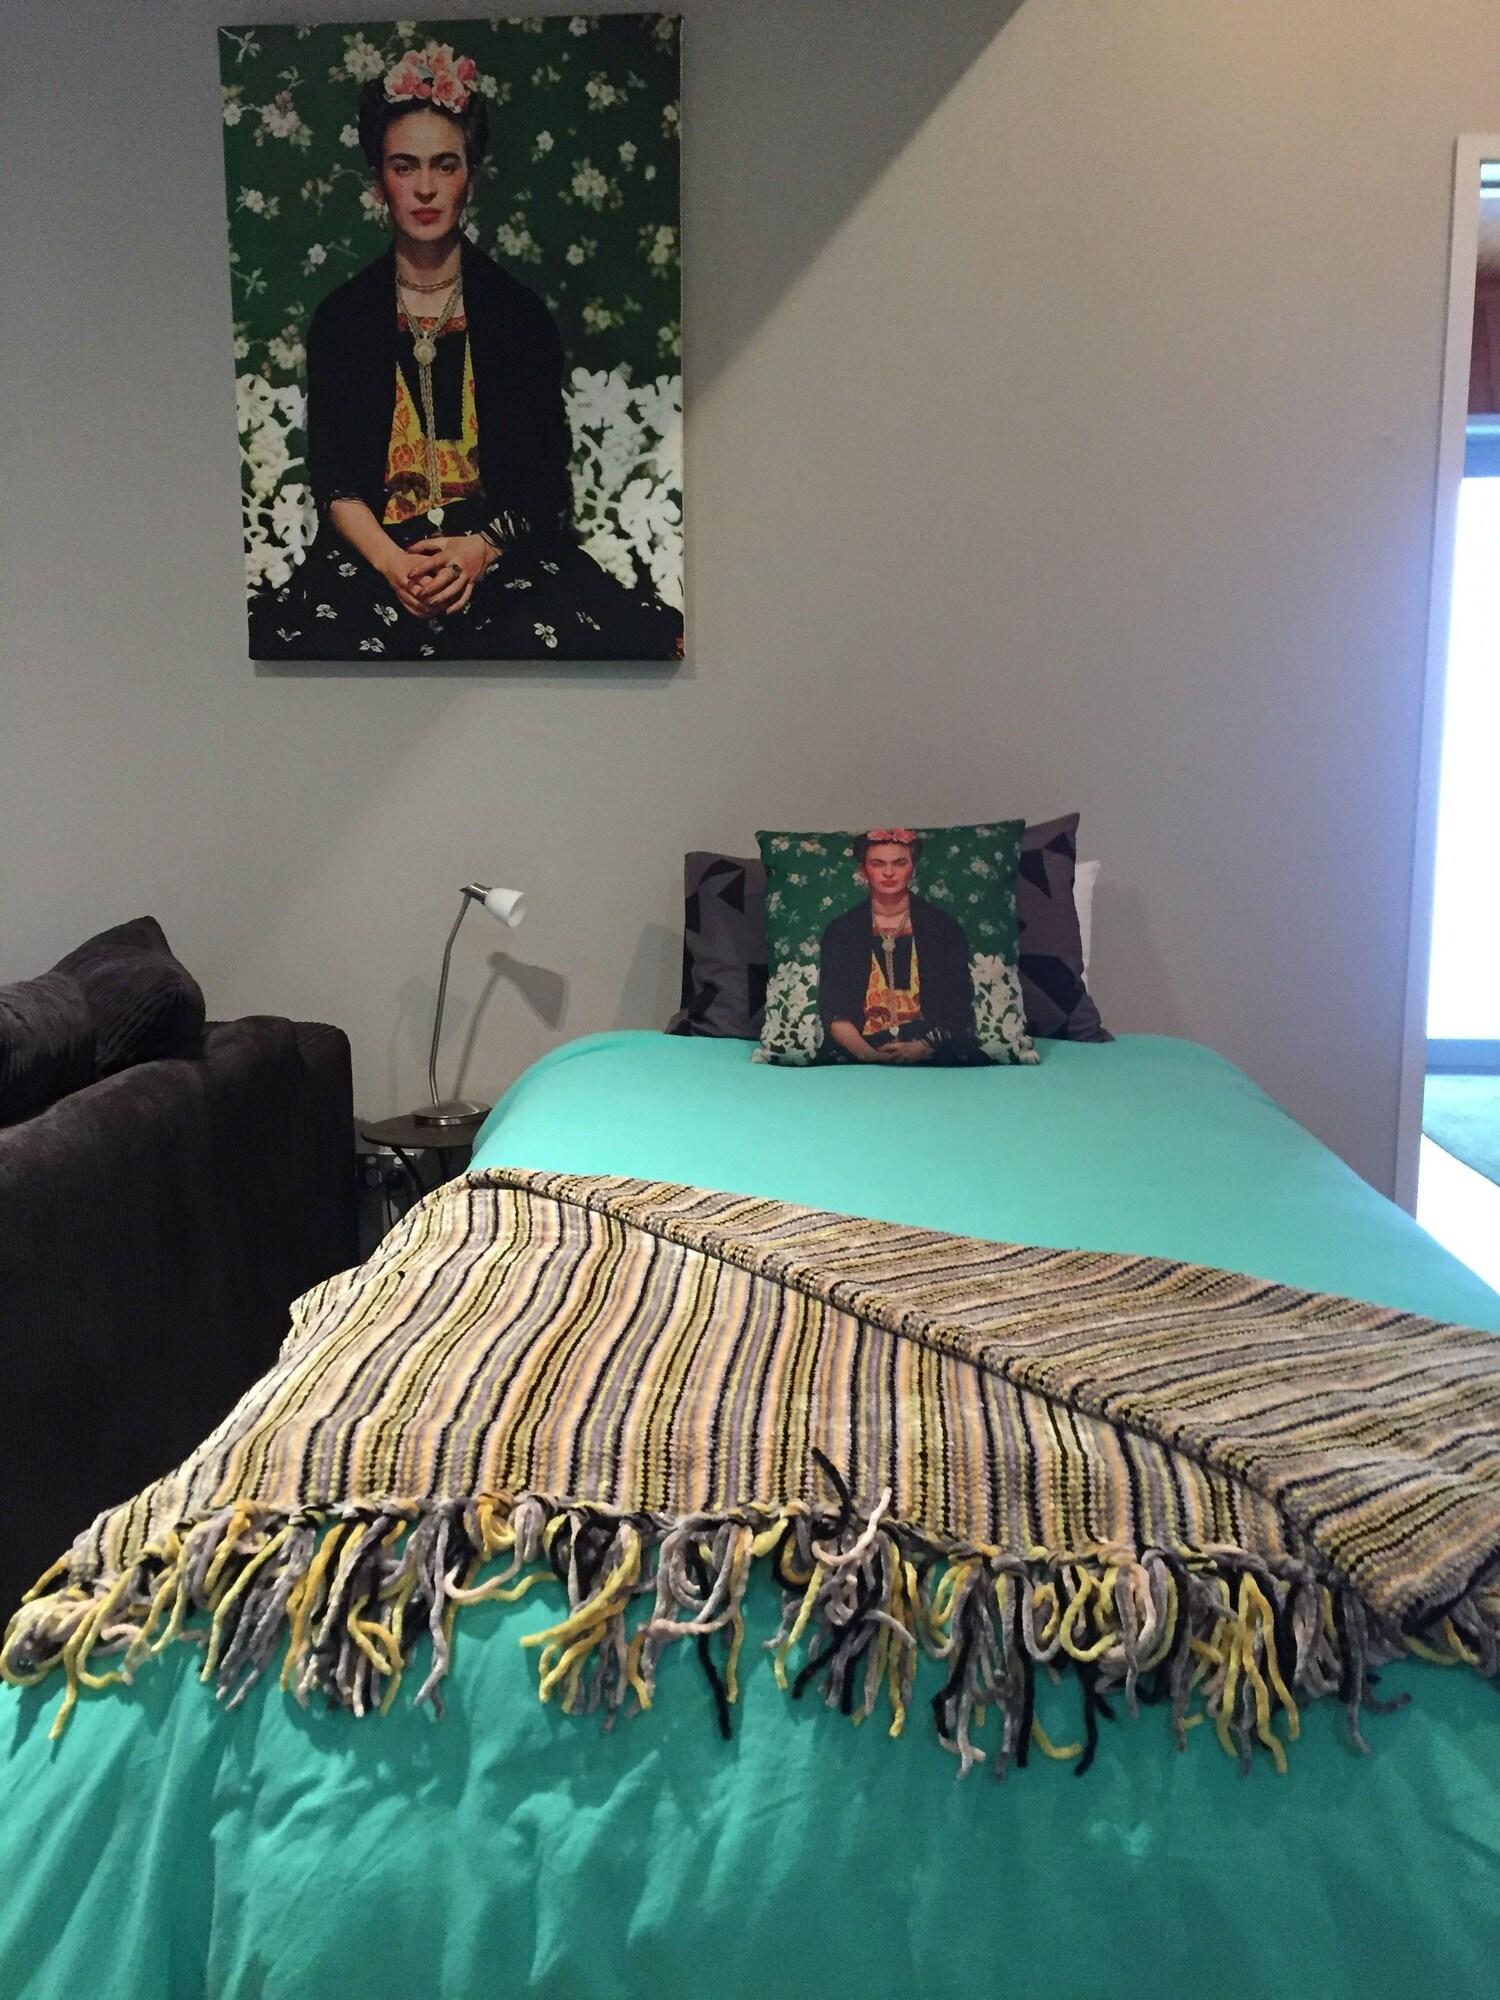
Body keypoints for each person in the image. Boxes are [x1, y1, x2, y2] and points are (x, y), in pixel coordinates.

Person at [249, 43, 681, 663]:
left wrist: (478, 551)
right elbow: (336, 481)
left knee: (549, 637)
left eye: (444, 165)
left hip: (496, 555)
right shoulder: (342, 319)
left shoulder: (518, 315)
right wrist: (394, 564)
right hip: (375, 561)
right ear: (379, 182)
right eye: (405, 167)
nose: (425, 188)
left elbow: (542, 480)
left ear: (470, 178)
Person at [817, 831, 979, 1064]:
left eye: (899, 863)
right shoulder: (842, 931)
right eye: (878, 863)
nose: (889, 873)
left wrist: (924, 1047)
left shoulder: (942, 926)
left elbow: (959, 1004)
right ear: (863, 870)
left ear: (913, 868)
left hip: (932, 1053)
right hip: (860, 1054)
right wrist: (869, 1056)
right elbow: (834, 1011)